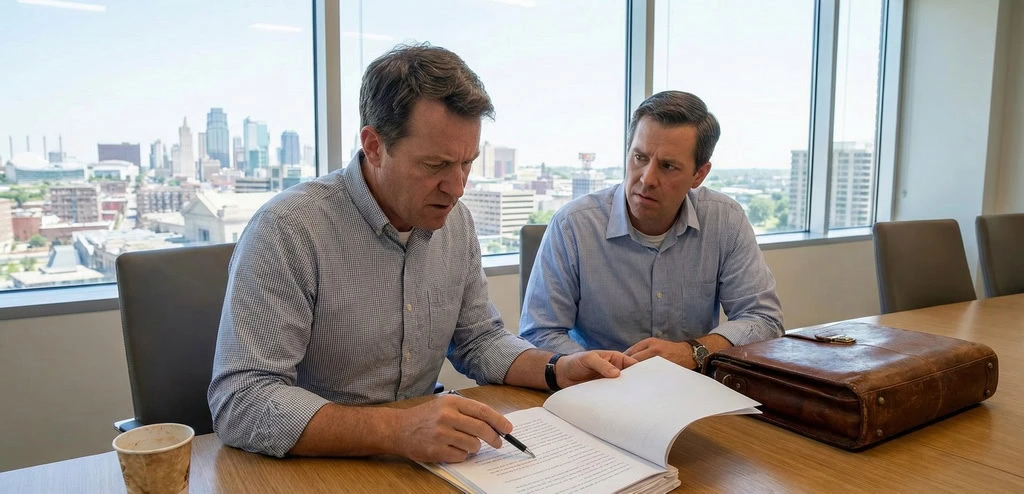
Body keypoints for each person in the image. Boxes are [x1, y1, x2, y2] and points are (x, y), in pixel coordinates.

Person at [208, 43, 635, 463]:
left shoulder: (457, 222)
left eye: (467, 163)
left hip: (417, 461)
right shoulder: (289, 229)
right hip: (315, 464)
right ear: (374, 145)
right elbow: (242, 400)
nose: (457, 187)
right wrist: (397, 430)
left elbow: (479, 339)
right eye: (435, 166)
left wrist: (556, 369)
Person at [519, 90, 783, 372]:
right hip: (597, 387)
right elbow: (538, 333)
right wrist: (600, 367)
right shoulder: (573, 225)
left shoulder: (725, 220)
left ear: (699, 175)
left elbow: (764, 320)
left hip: (691, 389)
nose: (647, 179)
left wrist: (693, 351)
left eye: (668, 166)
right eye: (640, 157)